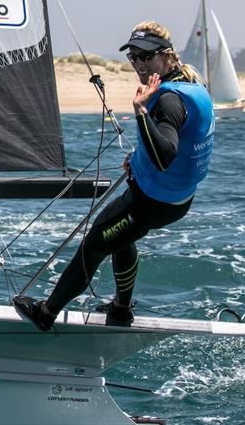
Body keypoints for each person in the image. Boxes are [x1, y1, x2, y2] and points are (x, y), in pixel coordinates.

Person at [14, 21, 215, 330]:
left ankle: (46, 313)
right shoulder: (192, 84)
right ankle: (121, 310)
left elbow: (165, 155)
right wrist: (137, 159)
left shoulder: (169, 99)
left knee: (93, 246)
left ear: (165, 56)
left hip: (153, 202)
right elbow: (178, 147)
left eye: (145, 57)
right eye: (132, 56)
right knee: (121, 238)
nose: (138, 64)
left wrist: (140, 111)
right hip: (175, 198)